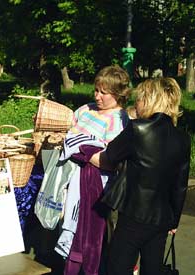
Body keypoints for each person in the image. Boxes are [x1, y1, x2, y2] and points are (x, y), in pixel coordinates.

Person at [90, 77, 191, 275]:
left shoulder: (137, 129)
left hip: (134, 216)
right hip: (163, 218)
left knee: (117, 268)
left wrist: (83, 151)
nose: (136, 103)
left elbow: (109, 157)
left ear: (149, 99)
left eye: (139, 98)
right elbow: (180, 184)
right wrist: (174, 222)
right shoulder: (183, 138)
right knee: (152, 269)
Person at [50, 65, 131, 275]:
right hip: (68, 179)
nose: (98, 96)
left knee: (90, 237)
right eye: (96, 90)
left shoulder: (119, 120)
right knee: (67, 229)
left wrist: (78, 149)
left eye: (104, 92)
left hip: (95, 188)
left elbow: (110, 162)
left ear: (119, 93)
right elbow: (67, 133)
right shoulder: (85, 109)